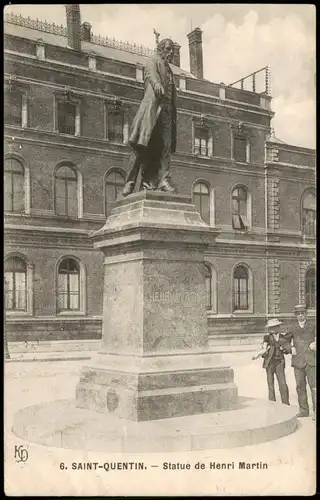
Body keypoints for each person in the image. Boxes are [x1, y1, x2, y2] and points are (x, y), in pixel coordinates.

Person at [122, 38, 177, 196]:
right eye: (168, 49)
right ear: (160, 49)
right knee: (141, 149)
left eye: (172, 49)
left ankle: (163, 180)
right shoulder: (153, 61)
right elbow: (151, 75)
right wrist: (157, 84)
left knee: (164, 149)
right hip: (153, 111)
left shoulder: (170, 70)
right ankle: (130, 182)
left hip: (166, 113)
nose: (171, 52)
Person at [286, 304, 316, 419]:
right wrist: (290, 348)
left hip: (311, 361)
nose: (300, 316)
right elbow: (285, 341)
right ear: (296, 316)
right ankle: (303, 410)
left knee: (314, 386)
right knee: (300, 386)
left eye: (302, 314)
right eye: (298, 314)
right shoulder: (292, 327)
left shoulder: (312, 325)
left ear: (306, 314)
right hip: (298, 361)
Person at [252, 318, 291, 405]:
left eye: (274, 327)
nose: (272, 329)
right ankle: (272, 404)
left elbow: (288, 350)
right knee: (270, 384)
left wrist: (284, 349)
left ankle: (286, 404)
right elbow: (263, 349)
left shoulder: (283, 338)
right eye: (270, 328)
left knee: (283, 384)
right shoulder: (267, 338)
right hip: (269, 363)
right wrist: (257, 355)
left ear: (278, 327)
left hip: (279, 362)